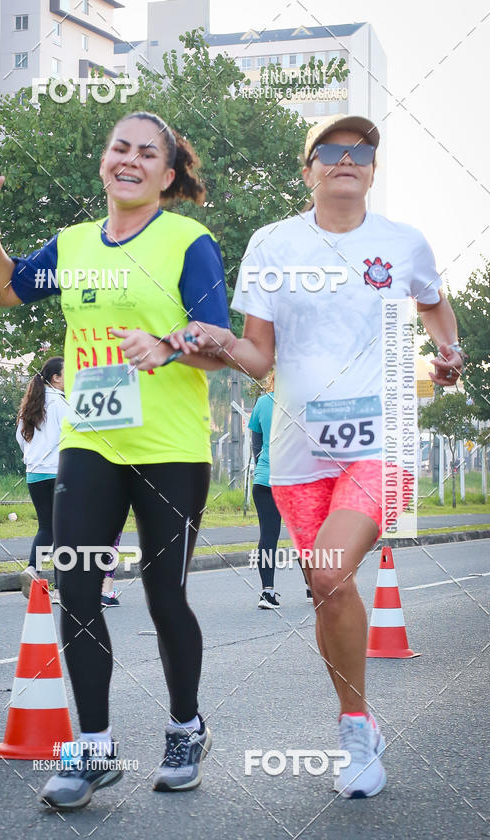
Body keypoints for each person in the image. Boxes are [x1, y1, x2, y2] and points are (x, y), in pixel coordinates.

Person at [166, 114, 464, 799]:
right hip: (302, 452)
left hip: (381, 442)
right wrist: (211, 340)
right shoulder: (274, 245)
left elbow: (435, 306)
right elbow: (258, 355)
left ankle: (356, 731)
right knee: (326, 589)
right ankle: (356, 717)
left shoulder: (403, 243)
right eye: (330, 151)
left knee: (330, 572)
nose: (346, 159)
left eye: (361, 151)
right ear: (308, 170)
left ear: (373, 168)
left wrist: (449, 350)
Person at [0, 111, 230, 810]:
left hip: (170, 447)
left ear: (167, 176)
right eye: (119, 148)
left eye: (147, 153)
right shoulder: (74, 244)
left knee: (164, 594)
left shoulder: (187, 240)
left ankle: (184, 726)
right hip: (92, 441)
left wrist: (171, 342)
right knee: (74, 587)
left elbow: (220, 332)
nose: (129, 159)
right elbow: (7, 287)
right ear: (105, 163)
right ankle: (96, 746)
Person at [249, 372, 312, 609]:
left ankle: (267, 592)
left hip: (265, 480)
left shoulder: (262, 403)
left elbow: (256, 442)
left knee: (268, 535)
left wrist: (263, 467)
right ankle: (311, 587)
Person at [16, 356, 67, 603]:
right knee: (64, 530)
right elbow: (75, 432)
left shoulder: (31, 404)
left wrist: (33, 456)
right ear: (56, 377)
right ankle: (60, 589)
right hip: (59, 473)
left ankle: (32, 568)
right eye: (68, 373)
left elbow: (21, 437)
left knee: (46, 526)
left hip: (34, 474)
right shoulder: (59, 403)